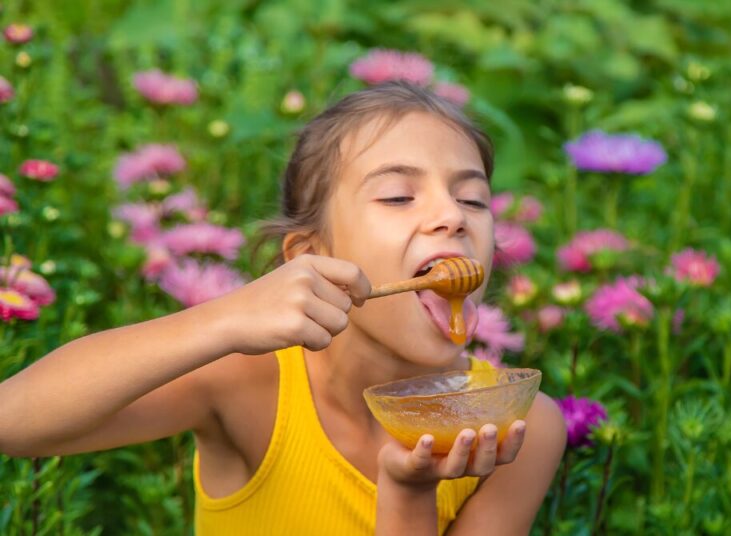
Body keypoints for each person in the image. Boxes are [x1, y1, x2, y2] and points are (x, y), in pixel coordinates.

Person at [0, 81, 567, 535]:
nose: (454, 215)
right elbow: (12, 422)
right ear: (312, 256)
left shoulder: (521, 425)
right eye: (398, 195)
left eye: (474, 199)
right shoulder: (248, 384)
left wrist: (408, 493)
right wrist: (223, 319)